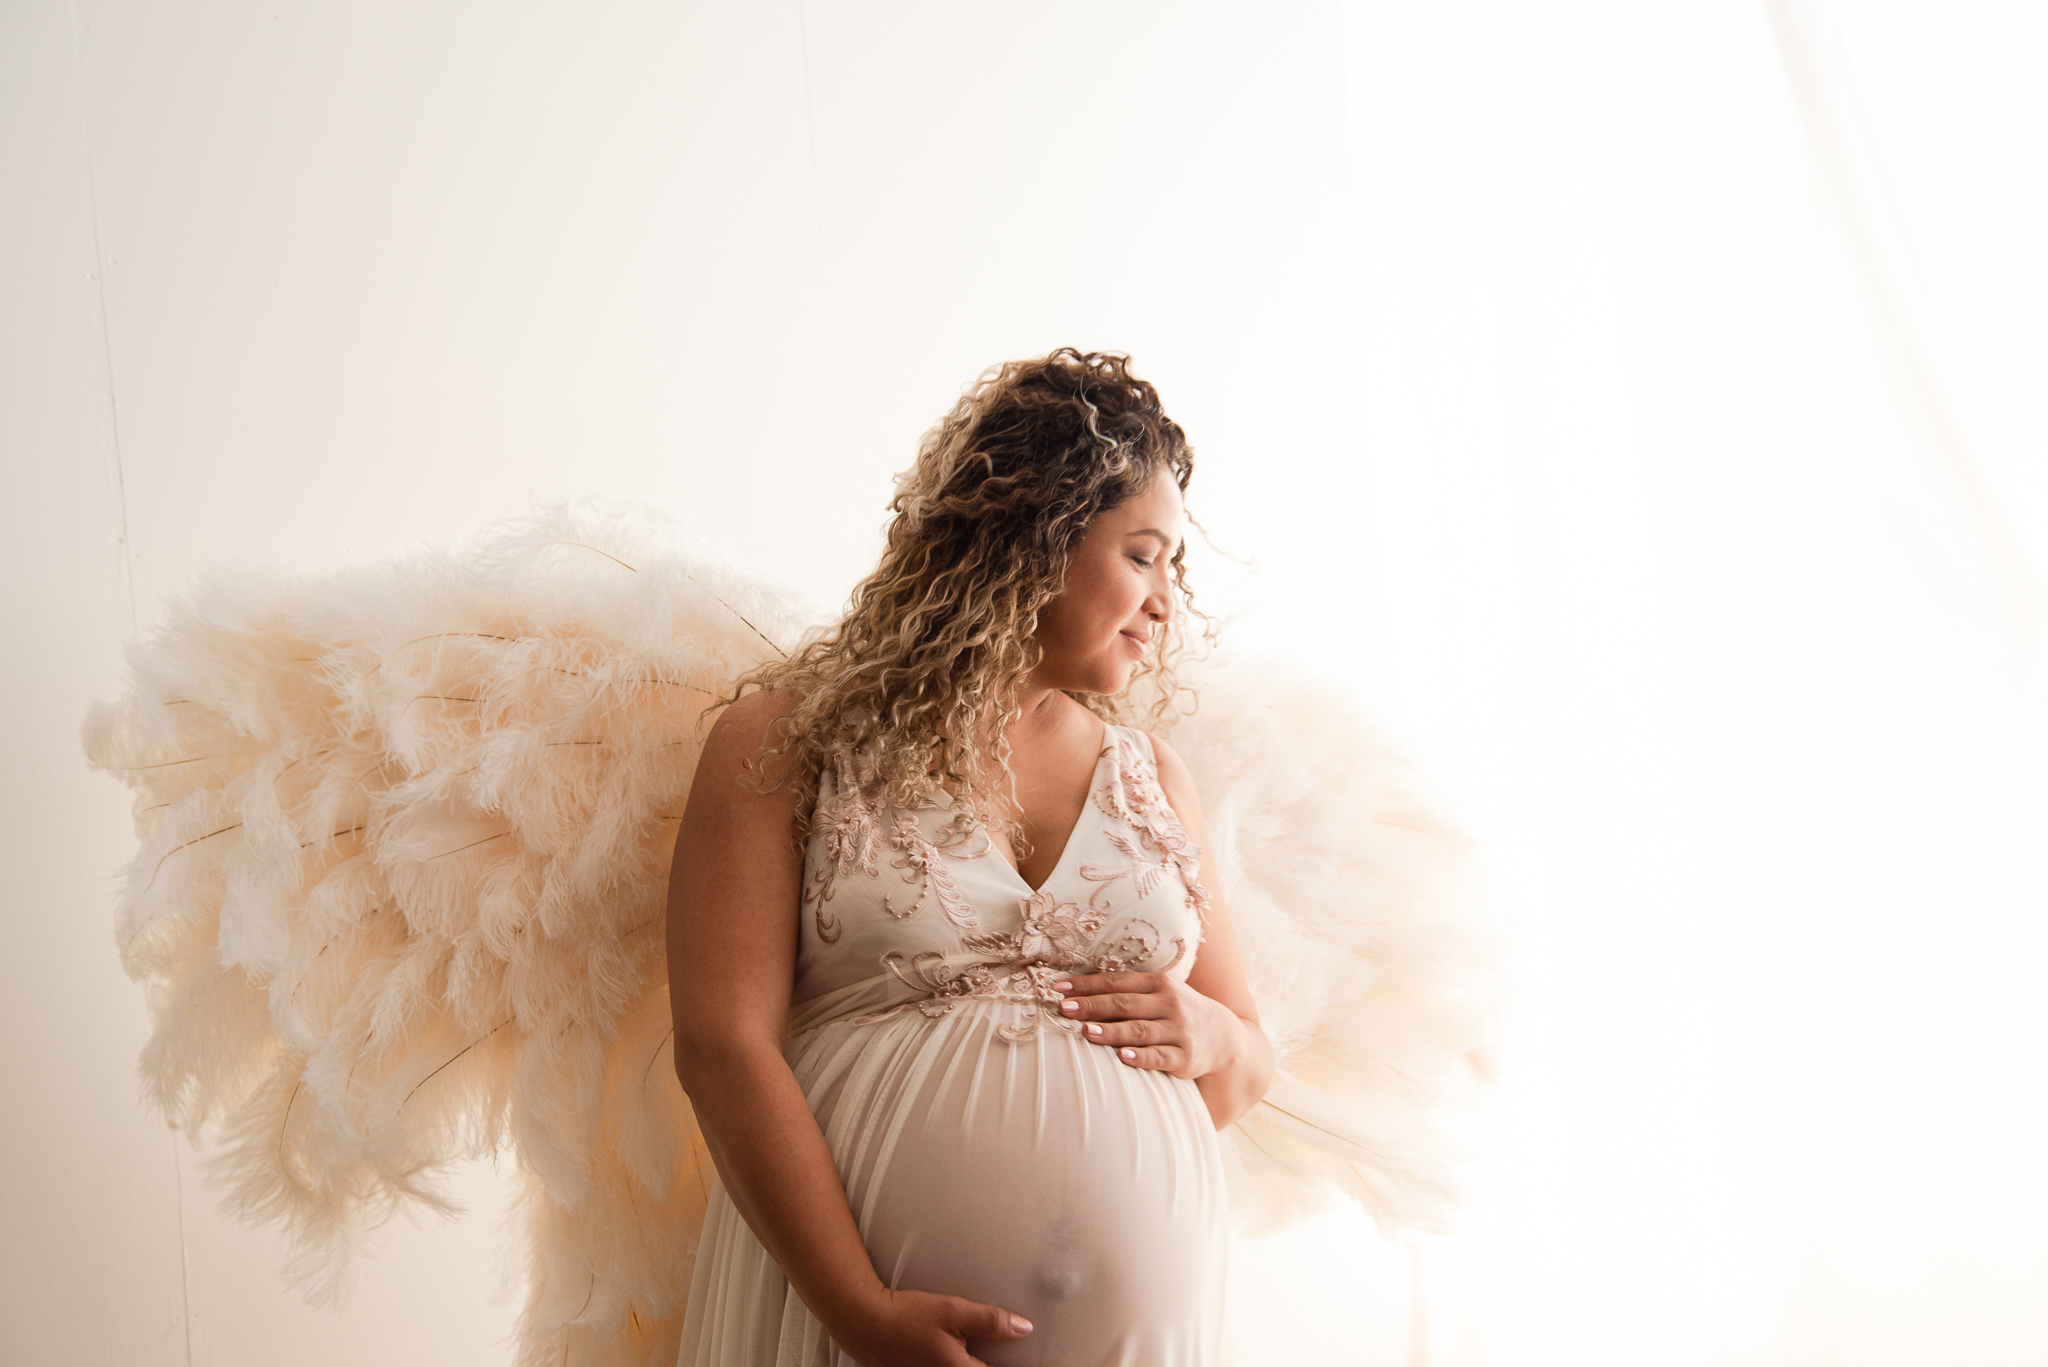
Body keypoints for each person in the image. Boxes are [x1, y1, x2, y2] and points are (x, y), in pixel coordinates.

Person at [663, 349, 1274, 1367]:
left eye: (1173, 567)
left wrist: (1209, 1035)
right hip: (850, 1322)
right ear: (1034, 534)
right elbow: (722, 1047)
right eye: (1142, 555)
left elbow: (1247, 1057)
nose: (1166, 600)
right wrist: (856, 1306)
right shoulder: (786, 741)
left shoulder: (1154, 775)